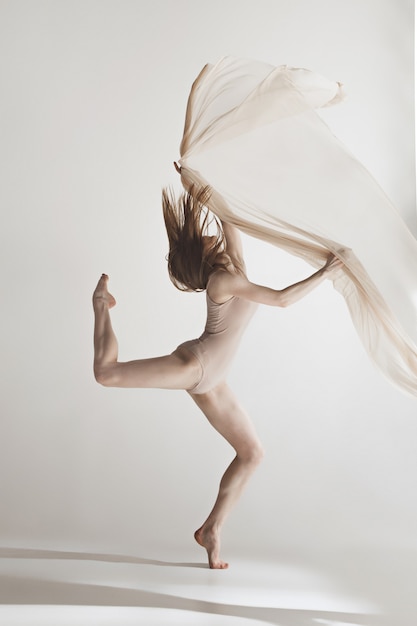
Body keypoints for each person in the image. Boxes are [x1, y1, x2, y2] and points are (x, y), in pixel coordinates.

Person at [92, 184, 343, 569]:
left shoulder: (232, 265)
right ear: (204, 254)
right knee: (106, 374)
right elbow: (282, 299)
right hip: (195, 366)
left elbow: (227, 217)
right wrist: (326, 271)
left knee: (252, 454)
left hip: (213, 377)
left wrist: (198, 182)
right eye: (203, 238)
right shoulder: (221, 281)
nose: (210, 234)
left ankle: (211, 530)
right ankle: (100, 305)